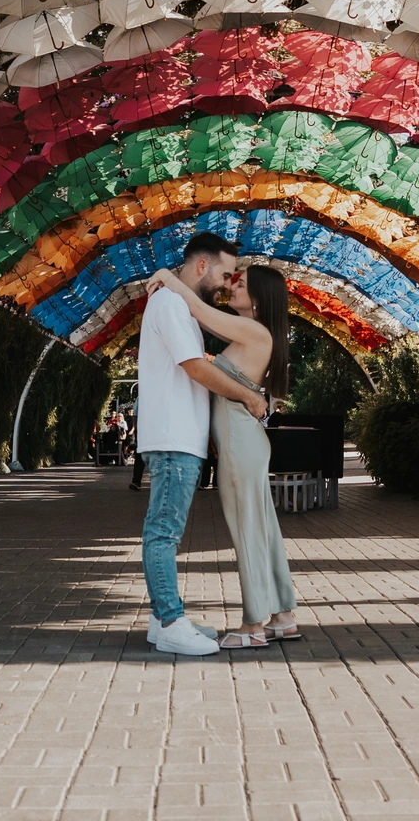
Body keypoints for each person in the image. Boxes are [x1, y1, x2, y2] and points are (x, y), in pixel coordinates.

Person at [145, 262, 301, 649]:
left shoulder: (253, 330)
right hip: (243, 441)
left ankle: (253, 626)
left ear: (261, 297)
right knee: (262, 527)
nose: (232, 286)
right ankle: (282, 617)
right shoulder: (257, 332)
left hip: (238, 442)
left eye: (241, 283)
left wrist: (168, 277)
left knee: (247, 529)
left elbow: (198, 311)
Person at [134, 232, 265, 656]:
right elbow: (193, 367)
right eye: (227, 274)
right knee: (163, 533)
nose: (230, 283)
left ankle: (161, 619)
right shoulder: (170, 304)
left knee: (166, 530)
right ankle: (171, 622)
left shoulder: (180, 306)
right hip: (173, 439)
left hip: (181, 438)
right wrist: (246, 394)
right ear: (202, 266)